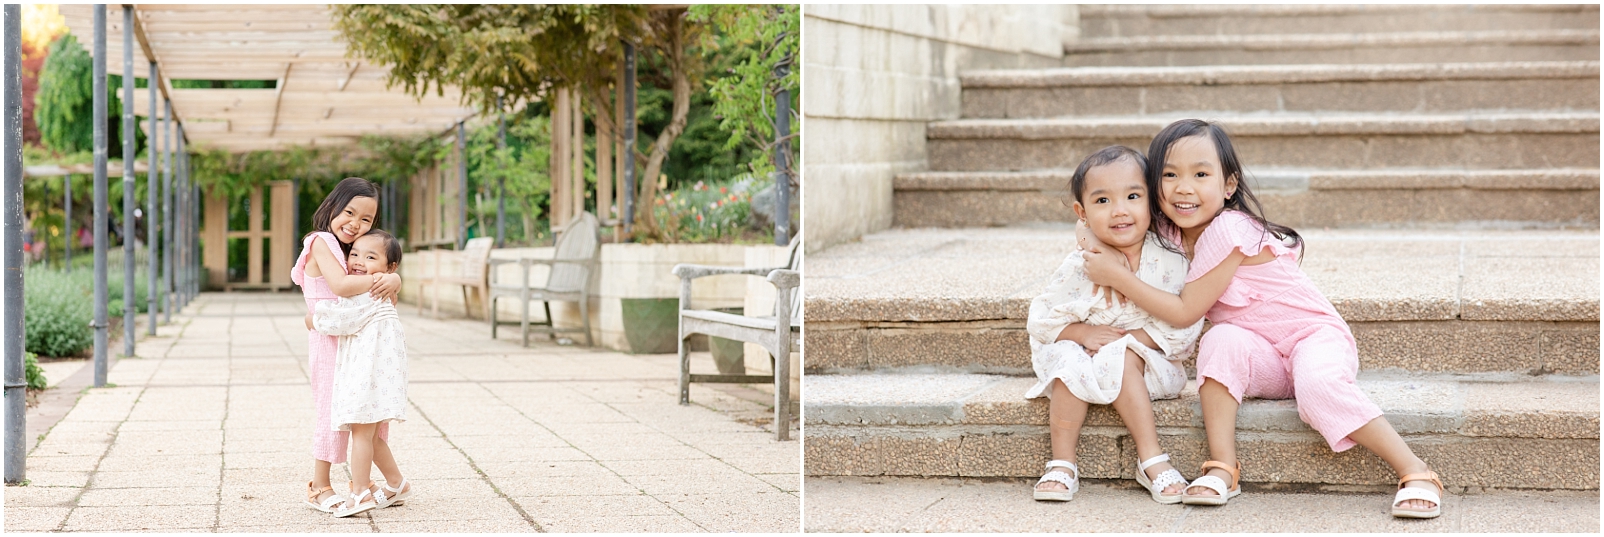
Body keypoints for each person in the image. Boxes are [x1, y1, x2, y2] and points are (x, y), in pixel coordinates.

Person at [1082, 119, 1443, 518]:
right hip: (1264, 356)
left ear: (1228, 185)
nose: (1184, 187)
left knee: (1317, 385)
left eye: (1200, 174)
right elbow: (1089, 225)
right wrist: (1101, 248)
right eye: (1170, 175)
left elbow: (1185, 313)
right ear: (1154, 185)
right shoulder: (1170, 230)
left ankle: (1416, 470)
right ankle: (1223, 468)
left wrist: (1117, 275)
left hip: (1313, 339)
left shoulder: (1229, 228)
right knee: (1221, 339)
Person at [1025, 145, 1202, 504]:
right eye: (1103, 201)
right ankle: (1062, 463)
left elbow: (1184, 326)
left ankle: (1151, 458)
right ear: (1082, 213)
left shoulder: (1170, 260)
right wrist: (1082, 333)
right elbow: (1042, 319)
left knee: (1121, 355)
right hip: (1085, 353)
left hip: (1148, 363)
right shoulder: (1082, 264)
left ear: (1152, 202)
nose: (1119, 210)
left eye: (1133, 197)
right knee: (1066, 363)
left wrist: (1129, 339)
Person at [290, 177, 403, 513]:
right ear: (332, 206)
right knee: (331, 413)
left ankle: (367, 482)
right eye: (350, 212)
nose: (355, 223)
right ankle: (319, 486)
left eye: (366, 219)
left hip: (353, 343)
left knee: (364, 416)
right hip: (328, 343)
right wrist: (386, 278)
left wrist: (394, 278)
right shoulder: (321, 241)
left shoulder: (349, 249)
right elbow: (340, 286)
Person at [310, 230, 414, 518]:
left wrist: (313, 318)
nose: (358, 261)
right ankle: (396, 484)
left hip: (370, 376)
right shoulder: (383, 286)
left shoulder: (370, 290)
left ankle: (359, 493)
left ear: (389, 267)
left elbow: (342, 319)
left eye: (370, 257)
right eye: (354, 254)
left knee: (362, 435)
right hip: (380, 374)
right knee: (373, 436)